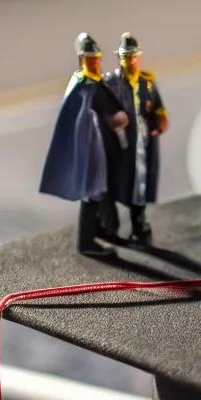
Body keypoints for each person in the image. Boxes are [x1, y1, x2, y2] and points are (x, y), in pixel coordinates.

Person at [39, 33, 128, 257]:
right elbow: (102, 114)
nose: (96, 63)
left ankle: (101, 231)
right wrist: (116, 119)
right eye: (91, 59)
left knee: (100, 195)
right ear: (82, 59)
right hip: (92, 151)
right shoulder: (86, 86)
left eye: (97, 58)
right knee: (93, 195)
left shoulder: (92, 84)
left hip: (101, 148)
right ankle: (88, 241)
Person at [103, 33, 169, 245]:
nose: (130, 61)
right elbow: (101, 110)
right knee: (113, 184)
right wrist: (112, 120)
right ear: (119, 59)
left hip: (143, 142)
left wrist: (160, 120)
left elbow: (157, 107)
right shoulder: (111, 83)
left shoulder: (146, 82)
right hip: (120, 144)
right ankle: (107, 225)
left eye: (133, 56)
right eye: (126, 57)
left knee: (140, 184)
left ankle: (139, 225)